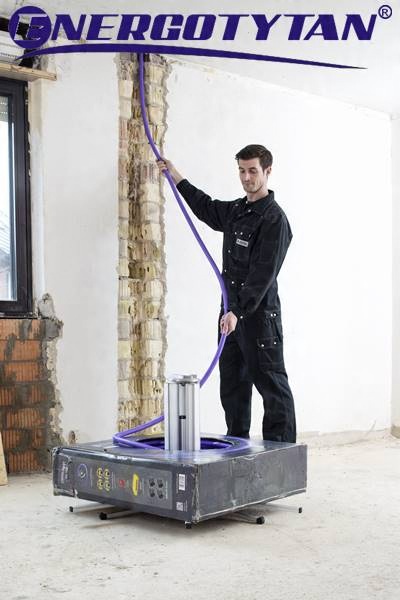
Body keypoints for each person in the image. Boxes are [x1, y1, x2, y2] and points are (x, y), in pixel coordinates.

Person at [157, 144, 296, 443]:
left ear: (268, 171)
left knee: (271, 386)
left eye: (253, 171)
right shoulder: (236, 211)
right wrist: (175, 174)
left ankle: (282, 455)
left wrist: (237, 311)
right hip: (231, 316)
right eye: (242, 171)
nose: (246, 178)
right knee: (233, 385)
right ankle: (237, 446)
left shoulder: (274, 220)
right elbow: (205, 207)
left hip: (258, 318)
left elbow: (262, 275)